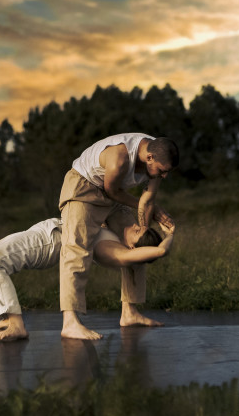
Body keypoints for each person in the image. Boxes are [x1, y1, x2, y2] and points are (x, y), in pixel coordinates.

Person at [0, 215, 175, 342]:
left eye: (137, 231)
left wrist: (170, 236)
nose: (134, 226)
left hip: (50, 240)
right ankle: (7, 316)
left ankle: (16, 324)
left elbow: (159, 252)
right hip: (46, 232)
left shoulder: (117, 252)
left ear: (133, 247)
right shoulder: (117, 239)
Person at [59, 133, 178, 340]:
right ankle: (70, 322)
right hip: (84, 188)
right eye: (162, 171)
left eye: (167, 171)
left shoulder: (157, 152)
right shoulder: (120, 157)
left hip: (114, 195)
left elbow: (147, 201)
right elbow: (112, 191)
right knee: (77, 248)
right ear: (149, 158)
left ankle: (129, 313)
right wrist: (144, 206)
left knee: (139, 243)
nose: (164, 176)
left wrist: (150, 219)